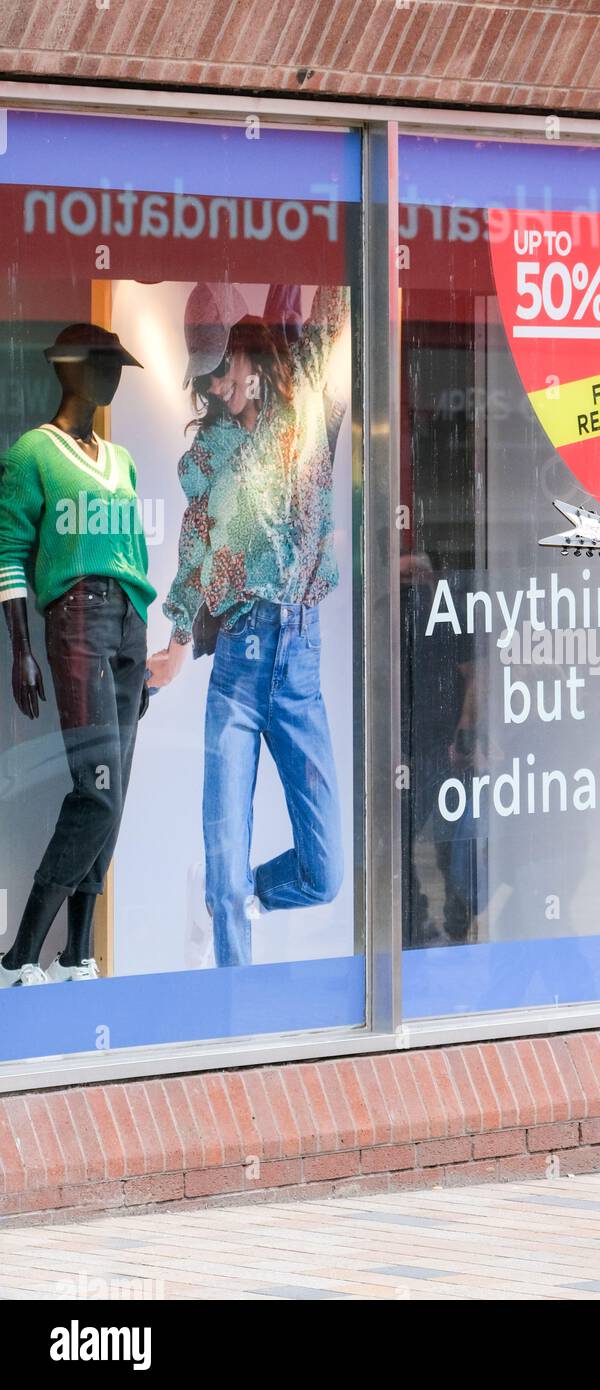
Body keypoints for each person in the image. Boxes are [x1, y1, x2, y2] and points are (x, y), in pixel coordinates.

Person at [146, 282, 350, 967]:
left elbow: (334, 306)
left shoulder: (312, 410)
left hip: (299, 663)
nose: (217, 387)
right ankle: (236, 1002)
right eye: (206, 378)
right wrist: (175, 644)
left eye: (223, 369)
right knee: (227, 871)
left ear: (253, 352)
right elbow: (194, 553)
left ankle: (227, 893)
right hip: (237, 664)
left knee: (324, 876)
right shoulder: (209, 456)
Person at [0, 324, 152, 986]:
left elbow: (136, 554)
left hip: (127, 623)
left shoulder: (120, 462)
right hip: (76, 621)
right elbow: (7, 551)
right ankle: (20, 954)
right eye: (105, 365)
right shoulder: (32, 452)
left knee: (115, 798)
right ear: (74, 371)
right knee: (97, 791)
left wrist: (143, 633)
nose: (115, 377)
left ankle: (77, 953)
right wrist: (20, 650)